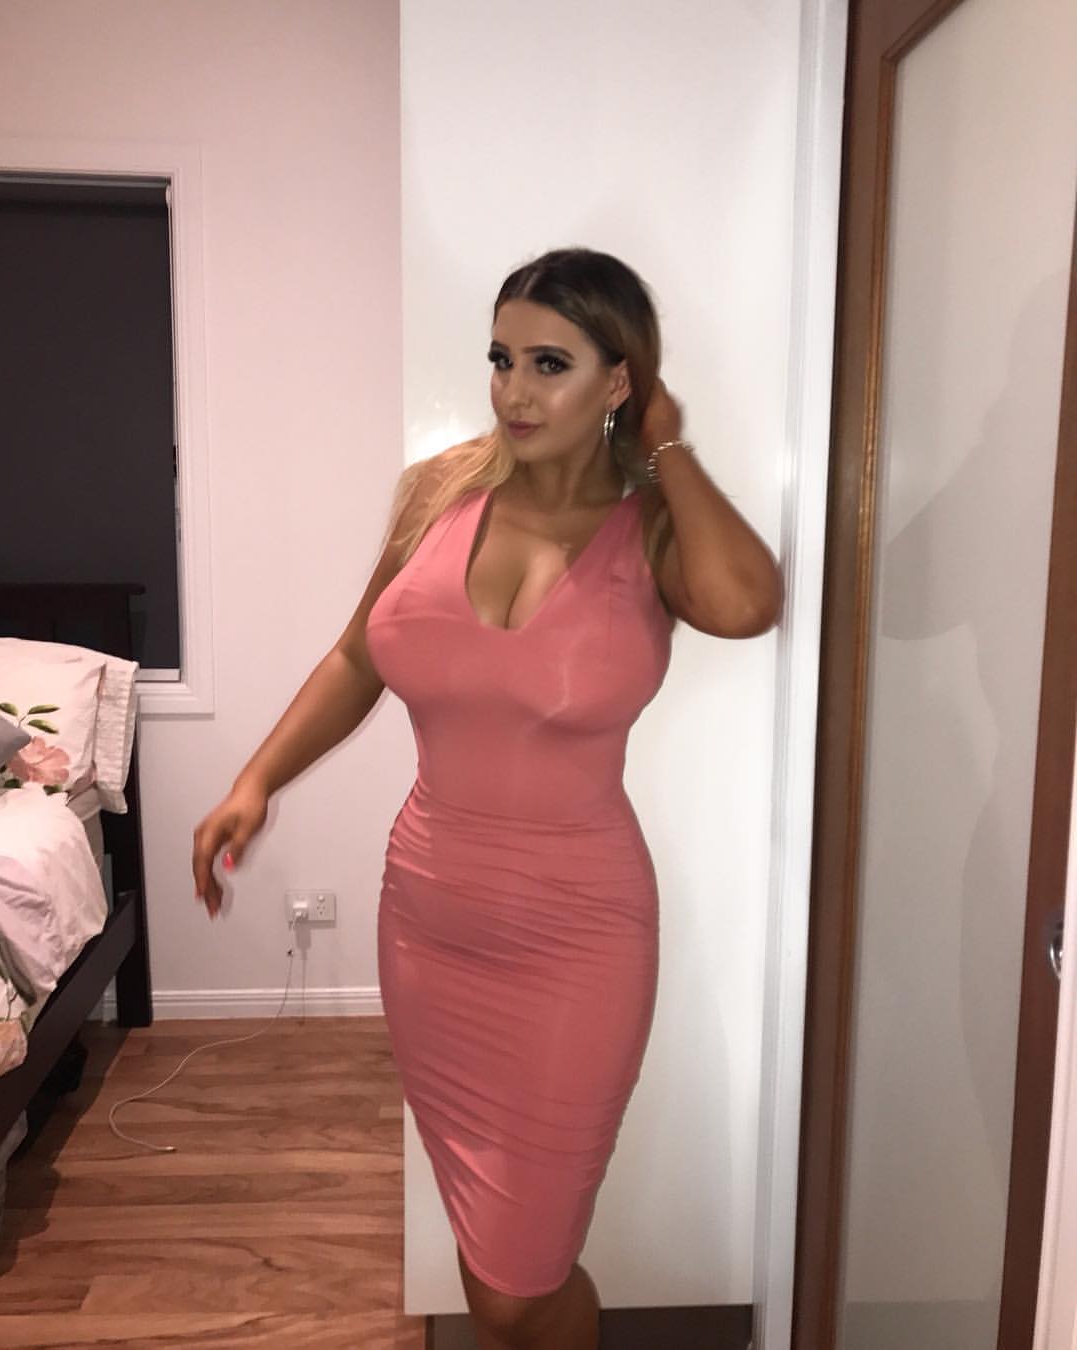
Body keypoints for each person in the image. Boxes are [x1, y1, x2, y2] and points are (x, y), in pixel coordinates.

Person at [192, 247, 782, 1350]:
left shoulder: (652, 526)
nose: (514, 389)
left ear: (619, 380)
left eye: (550, 363)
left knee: (520, 1281)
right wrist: (256, 781)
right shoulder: (439, 494)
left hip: (578, 940)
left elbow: (749, 604)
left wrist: (667, 448)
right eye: (502, 358)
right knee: (483, 1247)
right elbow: (357, 657)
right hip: (428, 924)